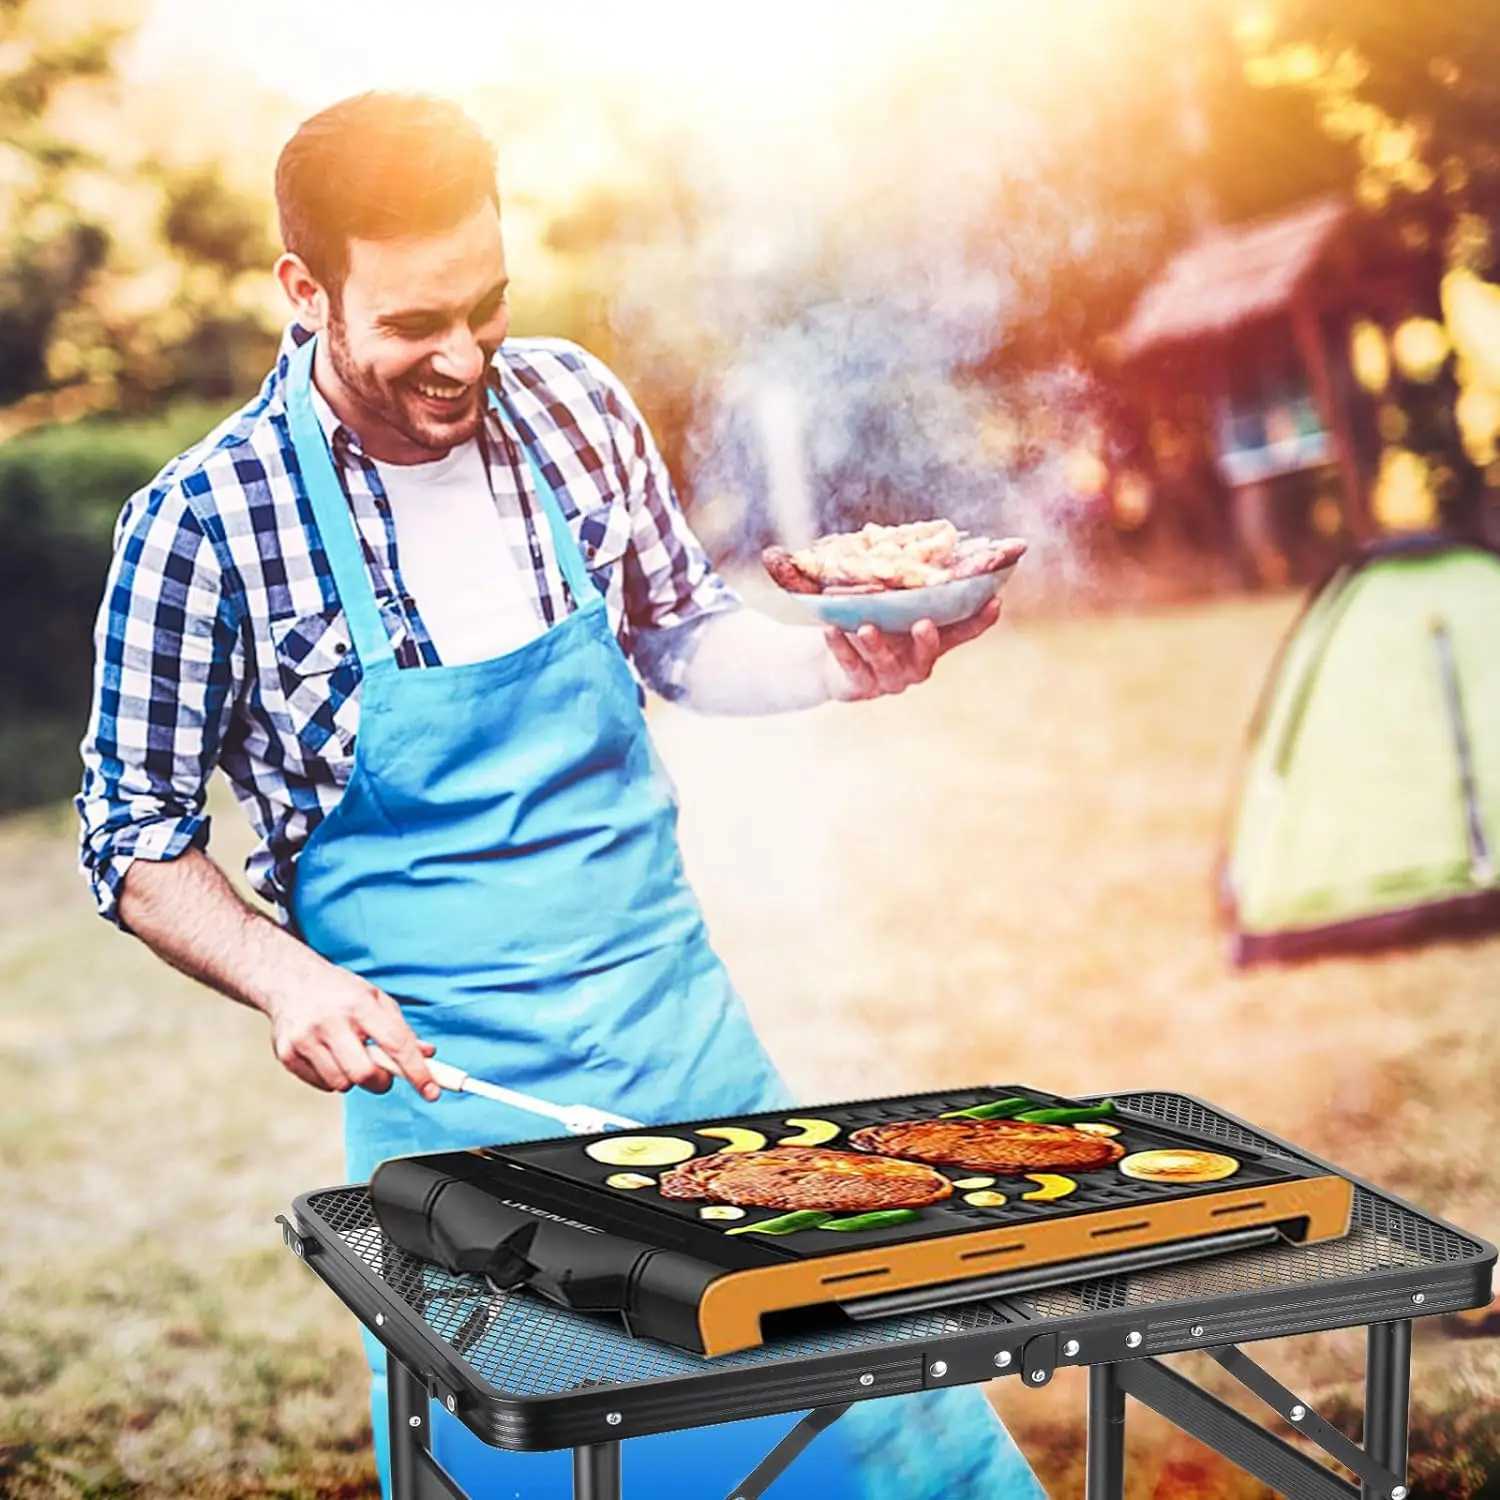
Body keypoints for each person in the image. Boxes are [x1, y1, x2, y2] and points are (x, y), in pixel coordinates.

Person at [76, 93, 1039, 1499]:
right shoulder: (202, 525)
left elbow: (682, 637)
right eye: (412, 323)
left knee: (882, 1442)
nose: (462, 357)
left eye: (488, 304)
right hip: (463, 1135)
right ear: (304, 290)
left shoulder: (575, 405)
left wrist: (844, 667)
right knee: (561, 1468)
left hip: (689, 1059)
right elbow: (132, 840)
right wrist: (286, 981)